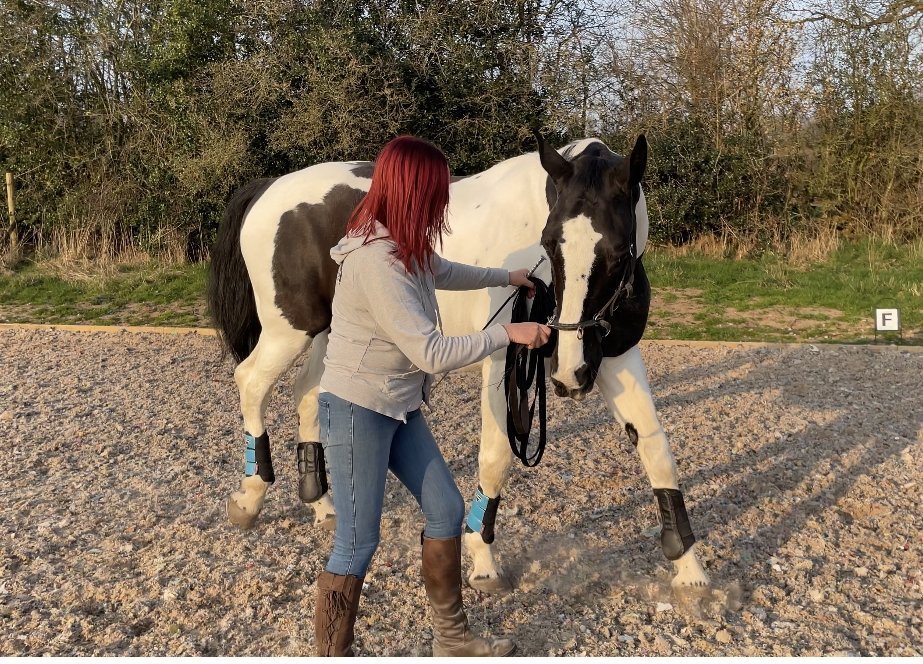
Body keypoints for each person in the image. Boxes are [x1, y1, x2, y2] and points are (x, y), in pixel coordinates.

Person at [314, 135, 551, 657]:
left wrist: (506, 276)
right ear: (414, 191)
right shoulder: (377, 261)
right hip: (357, 410)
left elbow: (443, 271)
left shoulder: (406, 244)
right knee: (356, 542)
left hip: (396, 405)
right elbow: (431, 352)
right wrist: (507, 334)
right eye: (437, 192)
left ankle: (452, 639)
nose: (444, 201)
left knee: (445, 508)